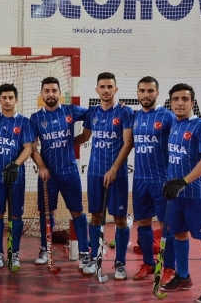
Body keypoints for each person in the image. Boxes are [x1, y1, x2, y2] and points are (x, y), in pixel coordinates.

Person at [160, 84, 201, 302]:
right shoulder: (174, 125)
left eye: (184, 99)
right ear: (170, 103)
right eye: (175, 99)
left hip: (197, 195)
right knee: (179, 235)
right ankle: (183, 276)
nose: (180, 103)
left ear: (192, 103)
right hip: (176, 196)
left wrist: (183, 181)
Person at [29, 76, 91, 270]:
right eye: (47, 91)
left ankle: (84, 253)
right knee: (46, 212)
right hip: (48, 175)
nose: (51, 94)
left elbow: (95, 114)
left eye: (54, 90)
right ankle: (45, 249)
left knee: (77, 211)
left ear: (60, 93)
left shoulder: (71, 110)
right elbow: (32, 148)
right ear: (42, 93)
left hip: (69, 171)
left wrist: (77, 140)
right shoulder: (36, 118)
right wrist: (42, 167)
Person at [80, 72, 134, 280]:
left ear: (116, 89)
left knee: (119, 218)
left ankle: (120, 263)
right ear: (96, 90)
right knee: (95, 216)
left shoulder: (125, 112)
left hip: (117, 174)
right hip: (95, 172)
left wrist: (114, 169)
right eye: (102, 87)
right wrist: (63, 145)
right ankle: (95, 258)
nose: (106, 90)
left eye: (110, 86)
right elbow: (85, 136)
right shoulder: (92, 112)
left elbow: (128, 143)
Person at [130, 77, 176, 284]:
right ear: (137, 93)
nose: (146, 94)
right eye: (142, 91)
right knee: (143, 223)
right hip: (140, 180)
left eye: (150, 91)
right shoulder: (135, 116)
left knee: (167, 226)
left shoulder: (167, 116)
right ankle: (148, 263)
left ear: (157, 93)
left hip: (161, 180)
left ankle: (169, 268)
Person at [0, 84, 34, 271]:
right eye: (4, 98)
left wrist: (15, 164)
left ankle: (15, 253)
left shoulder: (24, 122)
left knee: (16, 215)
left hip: (16, 177)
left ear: (16, 99)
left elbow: (28, 148)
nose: (7, 101)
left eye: (10, 98)